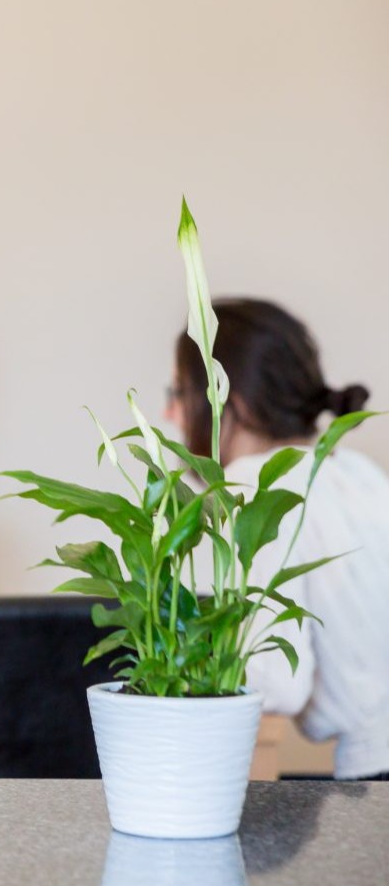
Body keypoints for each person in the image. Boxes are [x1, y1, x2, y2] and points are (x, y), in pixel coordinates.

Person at [166, 297, 389, 781]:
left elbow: (279, 682)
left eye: (179, 391)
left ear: (233, 398)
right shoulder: (356, 471)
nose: (168, 412)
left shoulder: (257, 485)